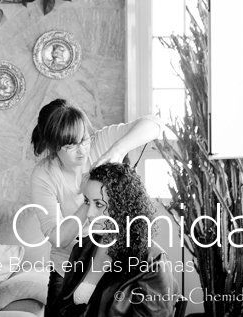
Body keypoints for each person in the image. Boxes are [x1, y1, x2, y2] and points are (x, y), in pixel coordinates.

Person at [28, 100, 169, 315]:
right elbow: (58, 238)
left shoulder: (99, 142)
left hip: (112, 259)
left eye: (83, 140)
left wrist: (117, 150)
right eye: (70, 146)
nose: (82, 151)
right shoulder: (44, 175)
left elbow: (155, 124)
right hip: (67, 266)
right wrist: (90, 200)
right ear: (54, 146)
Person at [55, 163, 178, 317]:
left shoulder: (152, 261)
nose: (90, 213)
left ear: (123, 207)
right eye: (87, 202)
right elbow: (63, 306)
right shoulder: (83, 247)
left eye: (99, 204)